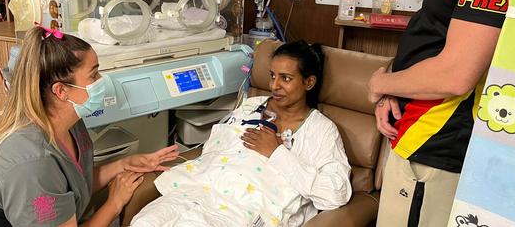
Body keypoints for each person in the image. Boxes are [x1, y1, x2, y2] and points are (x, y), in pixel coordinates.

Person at [369, 0, 515, 226]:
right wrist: (394, 84)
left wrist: (378, 84)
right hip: (414, 129)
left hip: (438, 141)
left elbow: (456, 74)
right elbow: (433, 33)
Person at [0, 24, 179, 227]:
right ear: (61, 91)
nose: (102, 81)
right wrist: (114, 203)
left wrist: (124, 164)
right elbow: (48, 187)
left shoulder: (70, 124)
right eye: (94, 75)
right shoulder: (32, 165)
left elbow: (72, 185)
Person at [130, 41, 352, 227]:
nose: (274, 85)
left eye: (285, 78)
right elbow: (213, 151)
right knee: (143, 222)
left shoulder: (320, 130)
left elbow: (335, 194)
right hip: (194, 194)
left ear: (309, 82)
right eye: (272, 76)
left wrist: (276, 153)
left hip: (240, 210)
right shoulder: (250, 107)